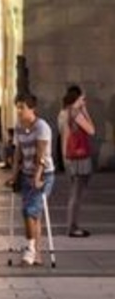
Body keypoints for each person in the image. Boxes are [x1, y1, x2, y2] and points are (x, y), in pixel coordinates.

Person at [9, 94, 54, 266]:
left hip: (44, 174)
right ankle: (38, 254)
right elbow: (18, 152)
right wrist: (14, 175)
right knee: (34, 215)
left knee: (29, 211)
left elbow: (41, 156)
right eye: (18, 107)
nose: (19, 111)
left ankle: (30, 248)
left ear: (32, 109)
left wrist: (37, 177)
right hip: (27, 173)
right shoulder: (19, 127)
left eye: (22, 107)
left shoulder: (42, 127)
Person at [57, 85, 96, 238]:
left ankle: (73, 226)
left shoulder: (62, 113)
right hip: (80, 158)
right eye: (82, 99)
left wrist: (64, 158)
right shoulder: (76, 113)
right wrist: (85, 112)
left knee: (74, 192)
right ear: (76, 99)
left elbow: (64, 137)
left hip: (69, 157)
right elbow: (92, 130)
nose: (84, 102)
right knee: (77, 194)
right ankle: (72, 227)